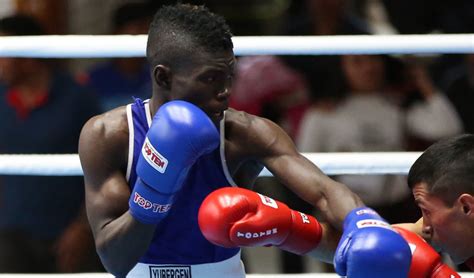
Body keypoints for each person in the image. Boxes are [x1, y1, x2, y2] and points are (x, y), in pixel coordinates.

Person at [78, 4, 412, 277]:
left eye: (229, 76)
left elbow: (324, 191)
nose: (225, 92)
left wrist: (363, 222)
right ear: (163, 76)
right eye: (210, 78)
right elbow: (115, 260)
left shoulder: (245, 133)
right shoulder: (110, 136)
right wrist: (153, 194)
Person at [0, 14, 102, 273]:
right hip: (11, 233)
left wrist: (83, 226)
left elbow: (103, 166)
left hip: (68, 233)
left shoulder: (78, 99)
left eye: (4, 52)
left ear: (28, 56)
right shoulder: (2, 99)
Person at [396, 134, 474, 272]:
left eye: (426, 211)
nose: (425, 227)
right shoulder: (439, 227)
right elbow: (383, 236)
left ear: (466, 207)